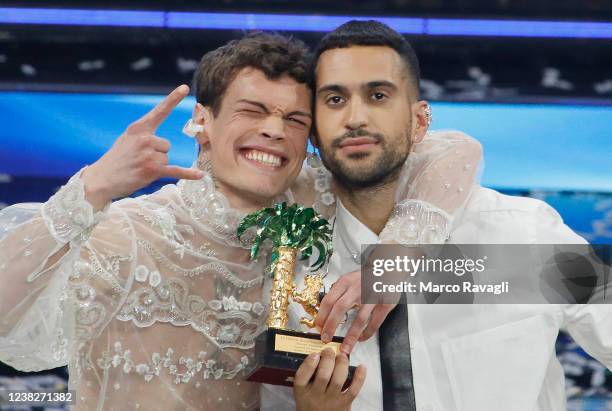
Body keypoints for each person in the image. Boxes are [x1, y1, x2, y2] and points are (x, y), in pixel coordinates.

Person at [0, 31, 481, 410]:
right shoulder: (126, 231)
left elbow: (455, 148)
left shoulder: (314, 199)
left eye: (294, 120)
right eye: (252, 111)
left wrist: (394, 257)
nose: (274, 129)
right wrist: (94, 186)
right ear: (202, 121)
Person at [261, 21, 612, 411]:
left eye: (378, 95)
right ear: (313, 133)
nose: (355, 117)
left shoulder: (522, 232)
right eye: (335, 100)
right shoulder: (290, 269)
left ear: (419, 122)